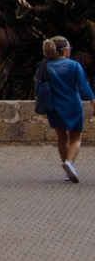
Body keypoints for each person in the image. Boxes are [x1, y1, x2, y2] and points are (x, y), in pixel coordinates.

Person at [34, 35, 92, 182]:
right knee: (76, 139)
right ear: (65, 50)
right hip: (72, 105)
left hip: (54, 106)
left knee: (61, 138)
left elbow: (37, 87)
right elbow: (84, 88)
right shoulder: (74, 66)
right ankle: (69, 163)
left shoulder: (44, 65)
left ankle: (68, 172)